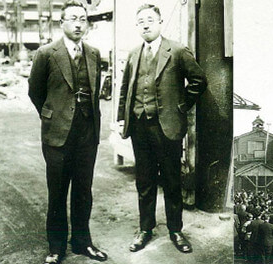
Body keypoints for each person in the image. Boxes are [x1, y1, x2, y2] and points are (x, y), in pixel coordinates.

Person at [117, 3, 207, 254]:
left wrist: (181, 106)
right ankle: (145, 229)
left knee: (171, 180)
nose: (145, 24)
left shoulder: (177, 50)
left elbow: (199, 81)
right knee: (144, 181)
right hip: (139, 127)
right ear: (138, 26)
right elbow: (126, 88)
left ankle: (176, 230)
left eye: (150, 20)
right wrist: (122, 117)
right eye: (141, 21)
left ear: (159, 22)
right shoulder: (134, 53)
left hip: (167, 127)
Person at [28, 1, 107, 263]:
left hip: (87, 134)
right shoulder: (46, 53)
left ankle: (82, 242)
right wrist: (52, 115)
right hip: (57, 135)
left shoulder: (94, 53)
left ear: (87, 23)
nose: (78, 24)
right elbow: (35, 92)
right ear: (61, 23)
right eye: (72, 18)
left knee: (84, 191)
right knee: (58, 192)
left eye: (82, 19)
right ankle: (56, 247)